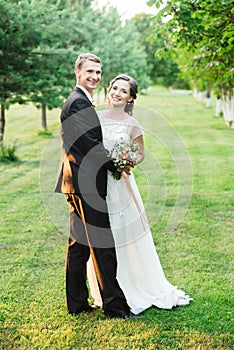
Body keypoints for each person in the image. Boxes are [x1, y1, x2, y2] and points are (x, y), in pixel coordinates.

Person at [87, 74, 192, 315]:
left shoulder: (132, 124)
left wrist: (127, 161)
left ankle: (131, 286)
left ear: (131, 98)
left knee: (124, 234)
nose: (116, 93)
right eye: (114, 88)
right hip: (98, 184)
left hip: (121, 184)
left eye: (123, 91)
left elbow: (140, 154)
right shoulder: (97, 118)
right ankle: (106, 288)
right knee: (102, 234)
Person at [54, 54, 135, 319]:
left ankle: (76, 303)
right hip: (85, 183)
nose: (95, 77)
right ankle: (114, 306)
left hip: (75, 181)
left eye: (98, 72)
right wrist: (118, 165)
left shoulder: (81, 100)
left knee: (79, 244)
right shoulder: (77, 102)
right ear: (77, 72)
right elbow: (90, 143)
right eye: (89, 71)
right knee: (102, 243)